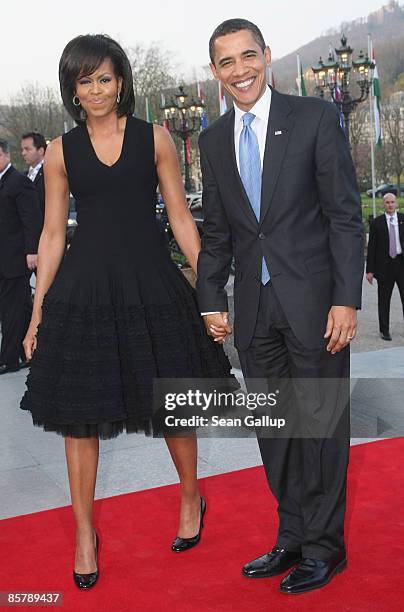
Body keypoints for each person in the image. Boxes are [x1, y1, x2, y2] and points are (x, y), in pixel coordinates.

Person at [20, 34, 233, 590]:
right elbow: (50, 235)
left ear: (121, 81)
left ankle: (191, 495)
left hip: (153, 285)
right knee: (78, 414)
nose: (96, 89)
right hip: (84, 293)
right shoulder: (61, 152)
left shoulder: (155, 138)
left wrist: (211, 291)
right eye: (85, 80)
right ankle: (85, 532)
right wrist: (37, 312)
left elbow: (184, 220)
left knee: (172, 403)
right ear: (72, 88)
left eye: (105, 78)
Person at [196, 19, 364, 595]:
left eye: (249, 56)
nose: (240, 70)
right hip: (256, 313)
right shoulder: (212, 140)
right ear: (215, 72)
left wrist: (346, 298)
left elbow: (345, 215)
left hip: (316, 307)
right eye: (226, 62)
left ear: (266, 56)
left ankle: (325, 548)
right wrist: (210, 299)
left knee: (320, 429)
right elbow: (218, 232)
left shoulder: (315, 118)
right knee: (276, 433)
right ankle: (292, 535)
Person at [0, 139, 42, 375]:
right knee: (21, 308)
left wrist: (32, 251)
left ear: (5, 155)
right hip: (4, 258)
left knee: (11, 308)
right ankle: (31, 351)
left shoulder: (19, 182)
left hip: (17, 258)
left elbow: (31, 220)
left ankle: (8, 359)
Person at [366, 192, 404, 341]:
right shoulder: (377, 223)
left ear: (396, 203)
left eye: (392, 202)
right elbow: (372, 247)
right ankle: (384, 330)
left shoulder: (402, 219)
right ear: (384, 204)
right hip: (385, 266)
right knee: (384, 300)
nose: (390, 205)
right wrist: (370, 270)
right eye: (387, 202)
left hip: (401, 264)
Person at [21, 132, 47, 224]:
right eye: (22, 149)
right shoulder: (23, 176)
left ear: (40, 151)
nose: (23, 153)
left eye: (27, 149)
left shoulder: (50, 174)